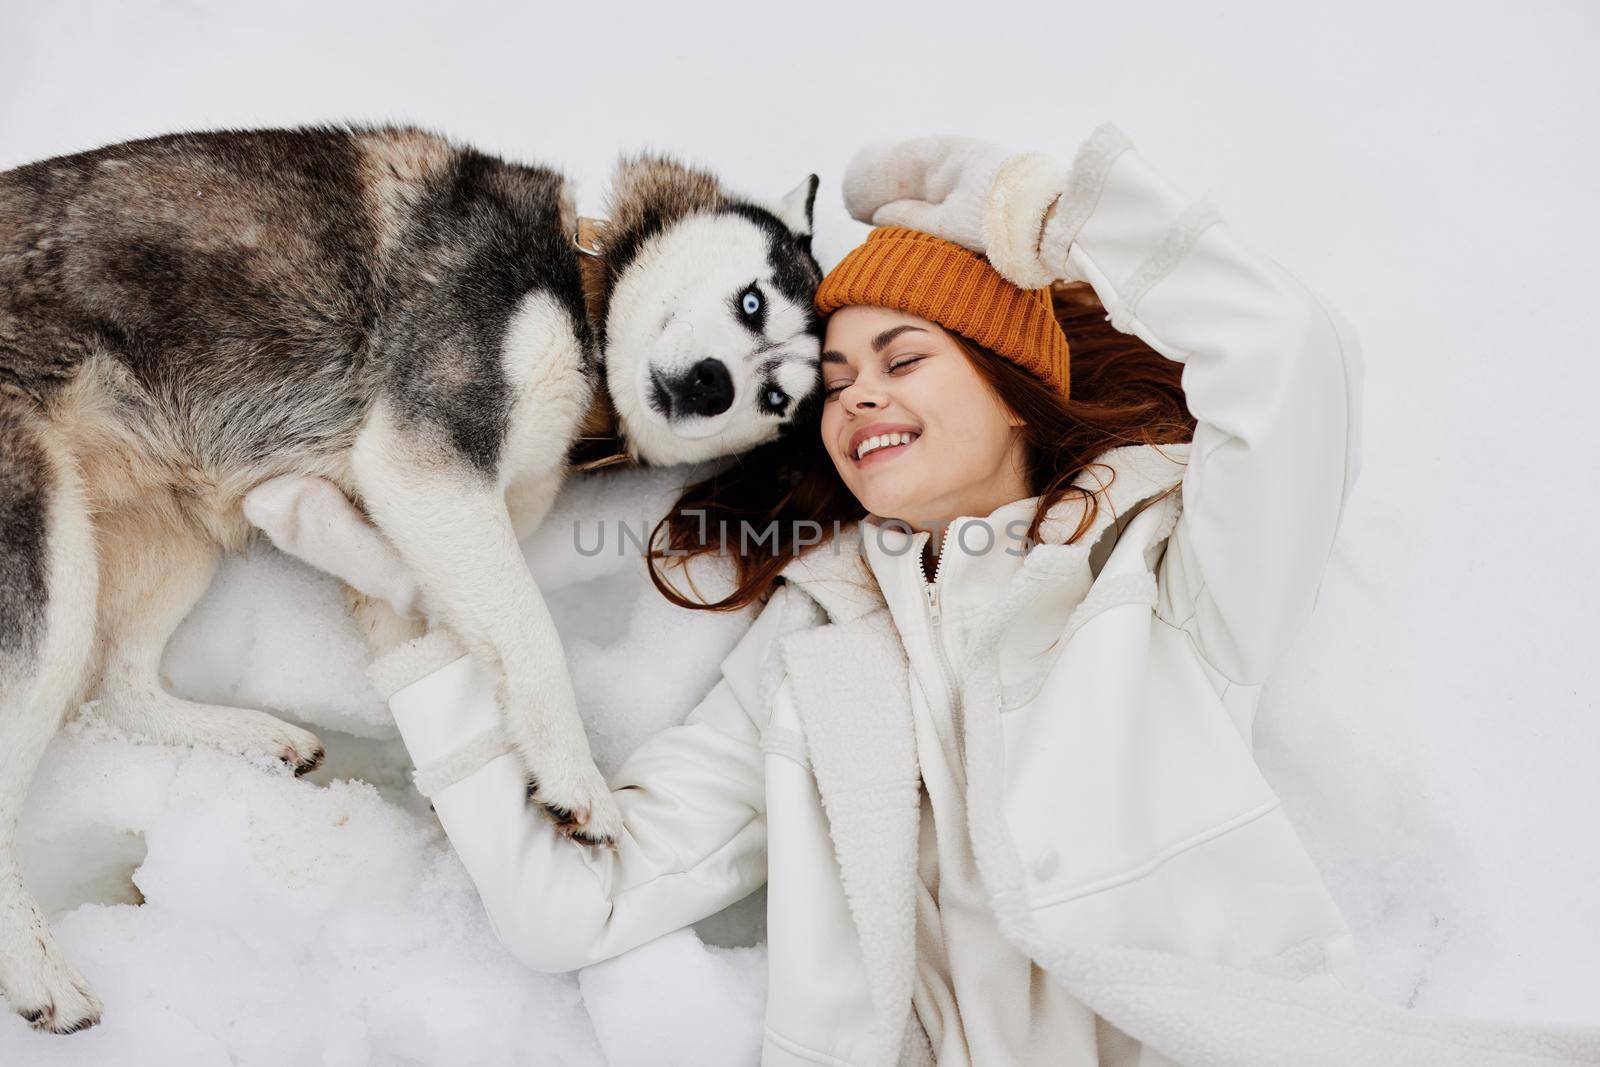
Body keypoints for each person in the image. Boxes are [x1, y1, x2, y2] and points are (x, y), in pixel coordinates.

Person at [244, 124, 1599, 1066]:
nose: (862, 396)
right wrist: (410, 628)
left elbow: (1289, 355)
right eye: (832, 381)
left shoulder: (1159, 575)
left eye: (905, 357)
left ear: (1011, 387)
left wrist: (1033, 210)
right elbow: (571, 908)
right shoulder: (808, 659)